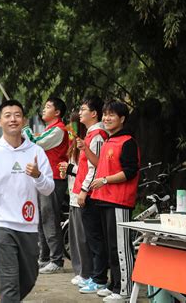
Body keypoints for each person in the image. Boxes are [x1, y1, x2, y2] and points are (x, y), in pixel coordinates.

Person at [0, 100, 54, 302]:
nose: (13, 119)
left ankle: (3, 299)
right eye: (7, 115)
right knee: (10, 284)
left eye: (17, 115)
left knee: (30, 278)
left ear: (24, 120)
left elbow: (48, 188)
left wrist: (38, 175)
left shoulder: (36, 152)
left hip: (29, 226)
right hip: (1, 225)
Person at [90, 100, 140, 302]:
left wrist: (104, 180)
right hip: (103, 199)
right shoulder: (109, 140)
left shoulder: (127, 141)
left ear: (122, 119)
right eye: (105, 114)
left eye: (111, 115)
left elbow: (130, 171)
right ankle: (115, 284)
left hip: (119, 201)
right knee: (111, 246)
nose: (106, 118)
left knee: (121, 246)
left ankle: (126, 290)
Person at [64, 96, 109, 295]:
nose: (80, 113)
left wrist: (84, 190)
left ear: (94, 113)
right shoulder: (90, 135)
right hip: (87, 190)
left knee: (95, 238)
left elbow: (96, 167)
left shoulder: (98, 135)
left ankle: (99, 279)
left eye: (83, 109)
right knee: (91, 238)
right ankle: (94, 277)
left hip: (91, 192)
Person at [22, 97, 69, 274]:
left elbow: (36, 143)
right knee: (42, 218)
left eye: (48, 107)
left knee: (49, 218)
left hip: (54, 179)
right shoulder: (50, 130)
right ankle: (45, 258)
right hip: (44, 179)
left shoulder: (58, 130)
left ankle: (56, 260)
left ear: (57, 112)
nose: (44, 109)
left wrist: (25, 127)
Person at [59, 111, 93, 288]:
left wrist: (70, 168)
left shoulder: (86, 143)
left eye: (72, 124)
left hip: (81, 195)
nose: (69, 128)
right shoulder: (74, 144)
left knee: (83, 238)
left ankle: (86, 273)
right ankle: (80, 271)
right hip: (73, 193)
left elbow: (87, 169)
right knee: (75, 238)